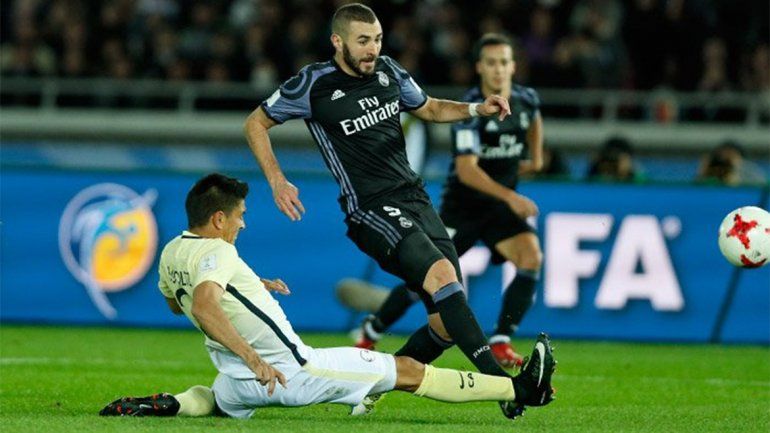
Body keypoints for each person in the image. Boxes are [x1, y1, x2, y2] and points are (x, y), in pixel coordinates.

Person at [243, 3, 535, 392]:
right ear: (337, 41)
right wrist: (278, 180)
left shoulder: (389, 71)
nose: (372, 49)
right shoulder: (313, 83)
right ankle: (506, 386)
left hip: (414, 197)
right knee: (444, 277)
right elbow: (256, 122)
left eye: (377, 39)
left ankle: (372, 390)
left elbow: (428, 107)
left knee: (446, 323)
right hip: (370, 208)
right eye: (363, 41)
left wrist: (476, 108)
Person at [98, 173, 556, 419]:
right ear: (217, 219)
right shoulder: (218, 251)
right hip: (291, 372)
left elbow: (176, 303)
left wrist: (254, 289)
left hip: (235, 381)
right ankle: (519, 389)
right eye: (239, 216)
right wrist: (257, 357)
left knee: (215, 399)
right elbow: (203, 303)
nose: (243, 223)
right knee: (411, 372)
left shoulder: (173, 251)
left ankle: (171, 404)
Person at [339, 33, 547, 368]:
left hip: (498, 212)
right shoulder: (469, 110)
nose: (498, 70)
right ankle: (371, 329)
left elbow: (534, 137)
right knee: (427, 280)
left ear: (513, 66)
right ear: (480, 67)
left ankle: (500, 340)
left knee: (531, 257)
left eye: (504, 62)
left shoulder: (527, 101)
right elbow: (466, 171)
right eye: (491, 63)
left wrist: (532, 163)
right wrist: (511, 194)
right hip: (462, 210)